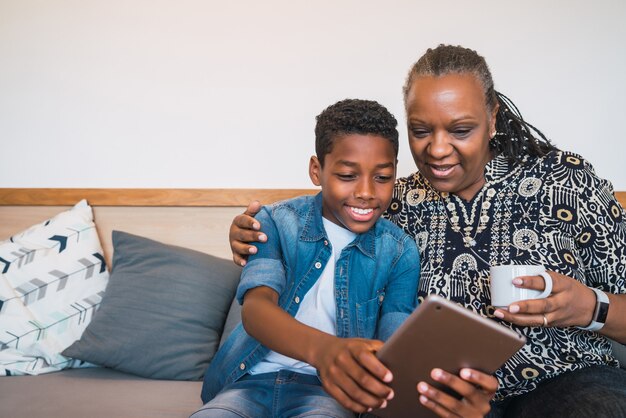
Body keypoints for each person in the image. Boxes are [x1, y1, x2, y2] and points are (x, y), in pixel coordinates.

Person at [229, 44, 626, 417]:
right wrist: (252, 232)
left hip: (568, 384)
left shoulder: (567, 182)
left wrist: (591, 307)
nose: (436, 149)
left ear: (492, 119)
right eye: (421, 131)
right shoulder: (388, 203)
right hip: (439, 396)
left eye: (460, 130)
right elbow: (312, 230)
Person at [194, 98, 491, 418]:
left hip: (328, 393)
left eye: (382, 177)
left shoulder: (399, 251)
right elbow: (256, 310)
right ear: (316, 170)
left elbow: (394, 341)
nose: (366, 191)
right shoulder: (276, 222)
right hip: (249, 381)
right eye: (348, 175)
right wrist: (327, 351)